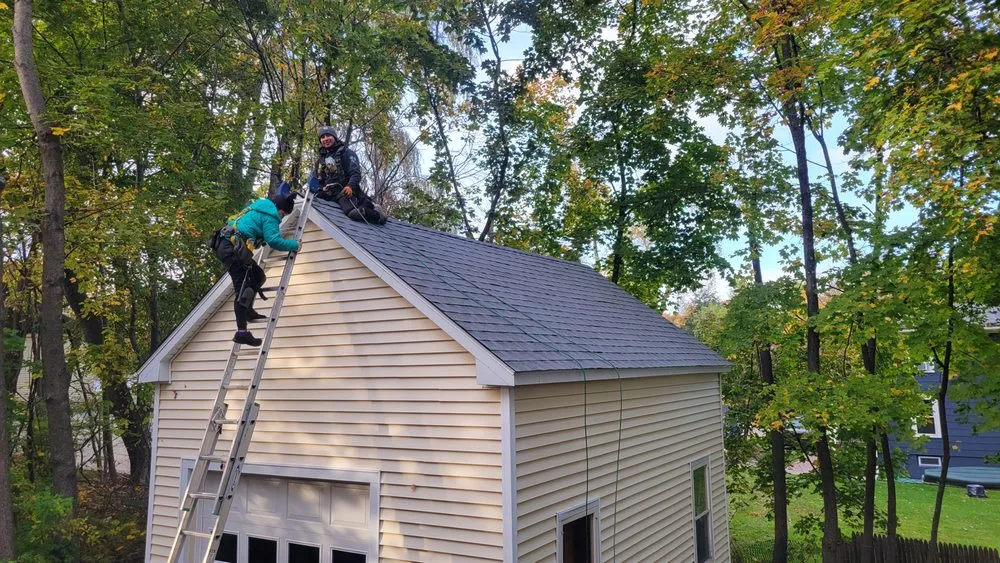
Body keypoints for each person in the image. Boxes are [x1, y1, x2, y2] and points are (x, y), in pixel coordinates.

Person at [210, 193, 301, 346]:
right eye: (284, 213)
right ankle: (242, 333)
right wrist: (295, 245)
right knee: (242, 287)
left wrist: (259, 238)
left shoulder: (258, 207)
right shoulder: (271, 216)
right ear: (280, 209)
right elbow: (274, 240)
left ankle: (248, 312)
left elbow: (251, 229)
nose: (282, 216)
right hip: (231, 249)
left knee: (258, 276)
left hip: (225, 243)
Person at [309, 126, 387, 225]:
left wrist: (350, 186)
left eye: (328, 135)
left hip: (346, 191)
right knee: (313, 205)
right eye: (323, 137)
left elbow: (355, 173)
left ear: (334, 137)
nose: (326, 139)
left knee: (354, 213)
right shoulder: (320, 161)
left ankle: (377, 214)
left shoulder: (346, 153)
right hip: (328, 194)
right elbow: (317, 179)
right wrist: (320, 188)